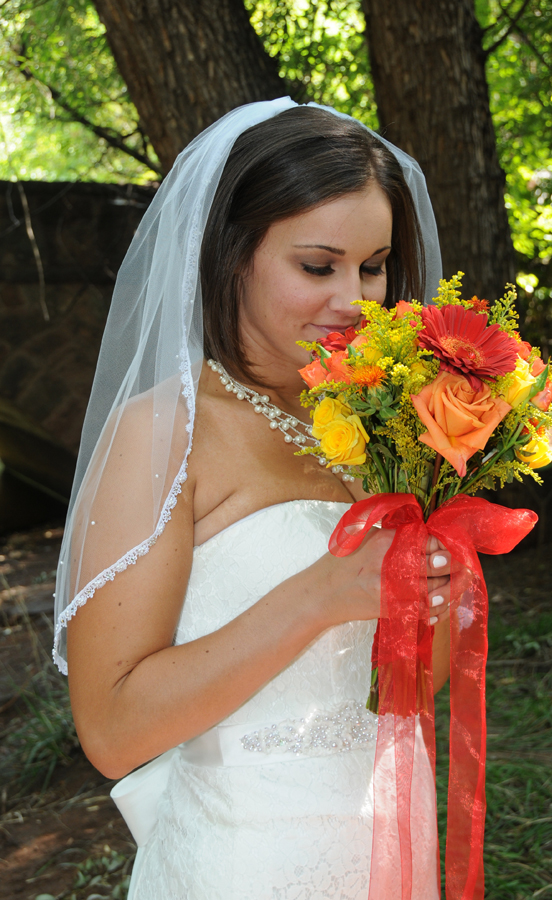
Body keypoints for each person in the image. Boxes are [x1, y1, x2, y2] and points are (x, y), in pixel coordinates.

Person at [53, 98, 454, 899]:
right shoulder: (166, 431)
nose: (358, 300)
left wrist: (444, 591)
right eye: (318, 266)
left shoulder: (379, 425)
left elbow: (409, 686)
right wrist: (318, 597)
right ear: (234, 253)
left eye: (373, 265)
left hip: (387, 840)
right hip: (246, 862)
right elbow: (110, 727)